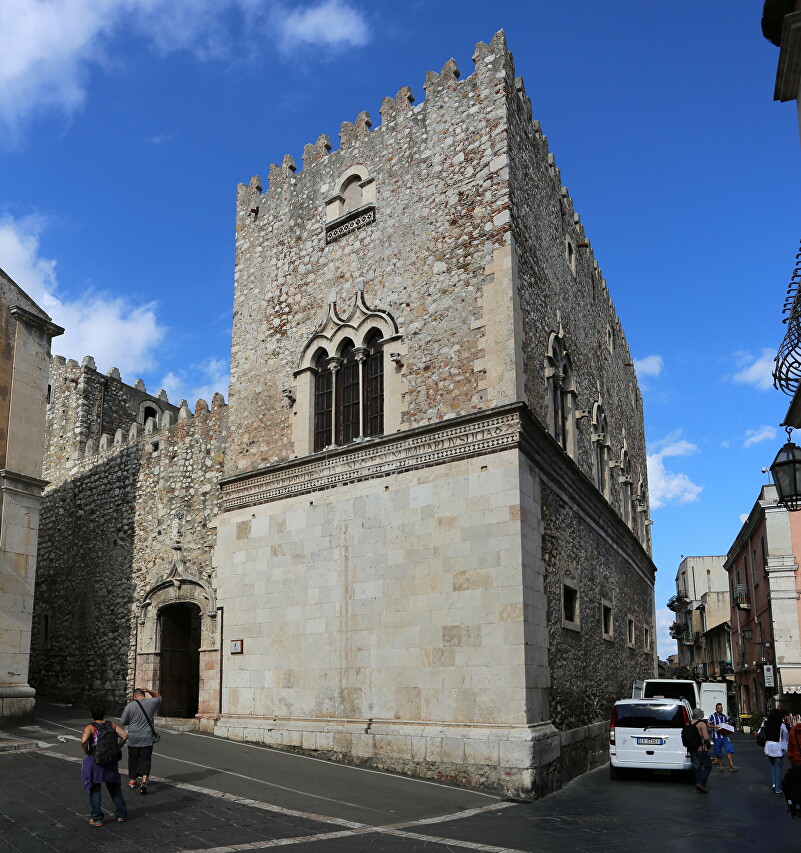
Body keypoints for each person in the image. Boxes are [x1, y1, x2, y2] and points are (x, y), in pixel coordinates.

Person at [80, 704, 128, 826]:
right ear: (103, 714)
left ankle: (96, 818)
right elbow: (125, 735)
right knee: (114, 788)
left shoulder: (90, 727)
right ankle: (121, 814)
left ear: (92, 714)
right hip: (111, 760)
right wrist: (117, 747)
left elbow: (84, 741)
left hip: (96, 759)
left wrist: (86, 751)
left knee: (95, 789)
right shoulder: (111, 725)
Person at [120, 686, 161, 794]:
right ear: (143, 694)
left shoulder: (130, 706)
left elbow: (123, 723)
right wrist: (149, 691)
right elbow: (159, 697)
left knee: (133, 759)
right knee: (146, 759)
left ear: (134, 696)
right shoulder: (151, 703)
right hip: (147, 738)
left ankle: (133, 781)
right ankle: (144, 781)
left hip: (133, 738)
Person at [760, 708, 789, 795]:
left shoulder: (766, 723)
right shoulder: (781, 725)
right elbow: (786, 735)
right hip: (777, 747)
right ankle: (778, 788)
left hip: (768, 747)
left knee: (772, 765)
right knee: (778, 768)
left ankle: (774, 783)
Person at [688, 707, 713, 793]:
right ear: (700, 715)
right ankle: (701, 783)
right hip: (701, 749)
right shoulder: (702, 724)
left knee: (697, 767)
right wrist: (709, 745)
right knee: (708, 765)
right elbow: (706, 737)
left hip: (692, 748)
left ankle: (698, 783)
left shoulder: (688, 723)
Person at [708, 703, 737, 772]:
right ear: (716, 709)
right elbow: (708, 724)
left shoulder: (724, 716)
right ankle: (720, 765)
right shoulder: (712, 716)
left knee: (729, 749)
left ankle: (731, 765)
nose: (720, 709)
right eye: (718, 708)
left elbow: (726, 725)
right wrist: (715, 727)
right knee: (718, 751)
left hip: (724, 736)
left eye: (721, 708)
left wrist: (728, 730)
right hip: (716, 737)